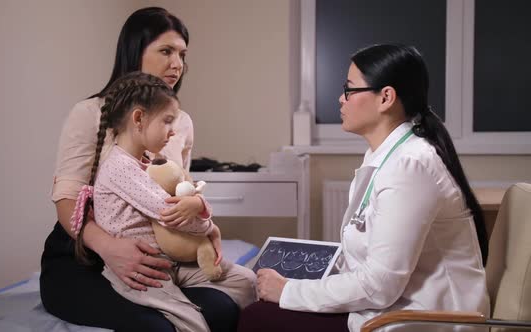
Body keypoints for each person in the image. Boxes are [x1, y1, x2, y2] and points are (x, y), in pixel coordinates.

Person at [237, 44, 490, 332]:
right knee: (263, 308)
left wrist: (289, 290)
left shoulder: (410, 166)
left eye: (349, 89)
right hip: (394, 305)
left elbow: (381, 285)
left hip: (425, 318)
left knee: (258, 317)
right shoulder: (387, 156)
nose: (340, 99)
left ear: (385, 97)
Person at [40, 7, 255, 332]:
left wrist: (197, 218)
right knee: (156, 327)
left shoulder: (180, 122)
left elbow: (175, 192)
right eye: (166, 51)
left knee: (222, 309)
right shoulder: (89, 113)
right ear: (134, 52)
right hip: (85, 256)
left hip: (155, 253)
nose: (177, 64)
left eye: (182, 54)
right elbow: (67, 201)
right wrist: (110, 248)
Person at [68, 71, 255, 332]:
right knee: (192, 320)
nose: (173, 131)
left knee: (246, 281)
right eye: (167, 121)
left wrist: (198, 210)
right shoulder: (120, 168)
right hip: (144, 271)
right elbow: (178, 218)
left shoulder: (146, 163)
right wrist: (205, 218)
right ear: (139, 119)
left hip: (171, 261)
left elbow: (180, 206)